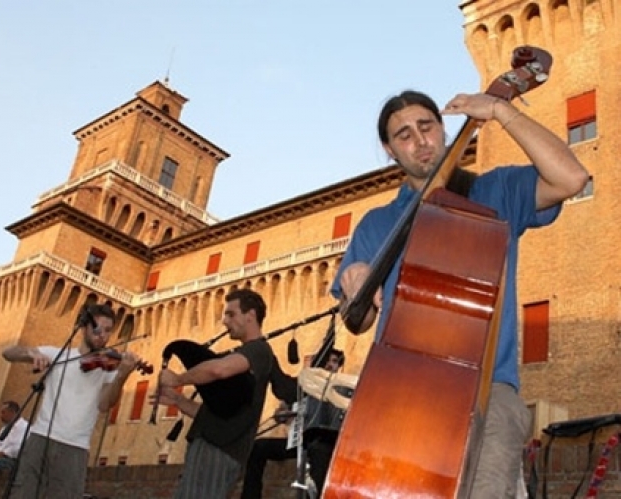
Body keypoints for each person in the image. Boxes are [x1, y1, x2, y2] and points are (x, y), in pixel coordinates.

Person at [332, 89, 588, 498]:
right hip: (398, 397)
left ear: (443, 127)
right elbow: (357, 322)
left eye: (426, 126)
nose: (420, 141)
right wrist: (355, 291)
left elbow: (571, 178)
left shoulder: (496, 191)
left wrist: (501, 111)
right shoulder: (376, 225)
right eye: (404, 135)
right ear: (390, 149)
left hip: (490, 389)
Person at [2, 303, 141, 499]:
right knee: (22, 493)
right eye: (98, 328)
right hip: (40, 439)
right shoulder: (58, 355)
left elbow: (104, 405)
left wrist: (122, 376)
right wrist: (32, 353)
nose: (103, 335)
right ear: (84, 328)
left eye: (108, 330)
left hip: (75, 447)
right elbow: (8, 353)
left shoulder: (108, 367)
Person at [155, 288, 274, 499]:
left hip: (218, 451)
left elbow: (218, 370)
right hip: (213, 448)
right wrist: (177, 400)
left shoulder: (258, 350)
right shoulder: (246, 358)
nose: (225, 321)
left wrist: (179, 379)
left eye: (231, 314)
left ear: (251, 316)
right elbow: (216, 416)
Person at [240, 348, 345, 499]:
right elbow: (280, 413)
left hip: (326, 444)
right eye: (327, 360)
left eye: (334, 361)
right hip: (300, 442)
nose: (330, 365)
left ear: (339, 366)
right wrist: (282, 415)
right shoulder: (304, 387)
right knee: (258, 447)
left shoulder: (343, 390)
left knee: (319, 449)